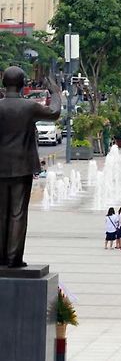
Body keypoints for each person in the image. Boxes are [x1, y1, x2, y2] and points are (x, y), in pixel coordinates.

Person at [0, 66, 61, 268]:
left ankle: (1, 257)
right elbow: (54, 112)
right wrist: (55, 93)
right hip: (21, 167)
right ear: (23, 84)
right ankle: (13, 258)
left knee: (1, 212)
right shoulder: (29, 107)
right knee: (17, 213)